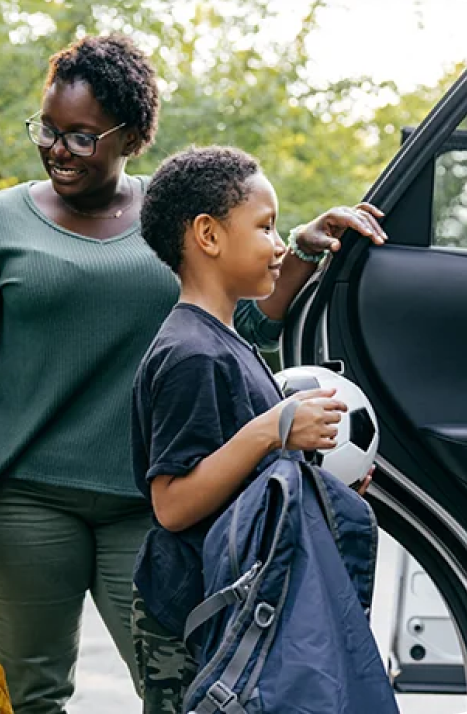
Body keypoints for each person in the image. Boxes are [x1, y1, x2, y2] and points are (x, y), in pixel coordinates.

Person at [0, 33, 386, 714]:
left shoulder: (172, 217)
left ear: (130, 136)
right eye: (49, 131)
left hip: (144, 501)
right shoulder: (7, 221)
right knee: (37, 692)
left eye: (83, 137)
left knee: (189, 678)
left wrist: (299, 248)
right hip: (29, 499)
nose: (58, 150)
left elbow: (240, 323)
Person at [131, 144, 387, 713]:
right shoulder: (190, 354)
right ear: (209, 235)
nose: (278, 245)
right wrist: (272, 430)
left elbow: (245, 479)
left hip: (232, 603)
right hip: (190, 618)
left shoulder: (225, 341)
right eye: (266, 227)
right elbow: (172, 503)